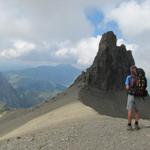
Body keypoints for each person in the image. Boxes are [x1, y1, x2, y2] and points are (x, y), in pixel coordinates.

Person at [125, 65, 141, 130]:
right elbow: (140, 87)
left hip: (131, 95)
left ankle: (129, 126)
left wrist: (129, 88)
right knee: (137, 110)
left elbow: (127, 87)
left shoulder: (128, 77)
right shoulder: (138, 78)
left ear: (131, 70)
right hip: (137, 96)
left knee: (130, 110)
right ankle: (136, 125)